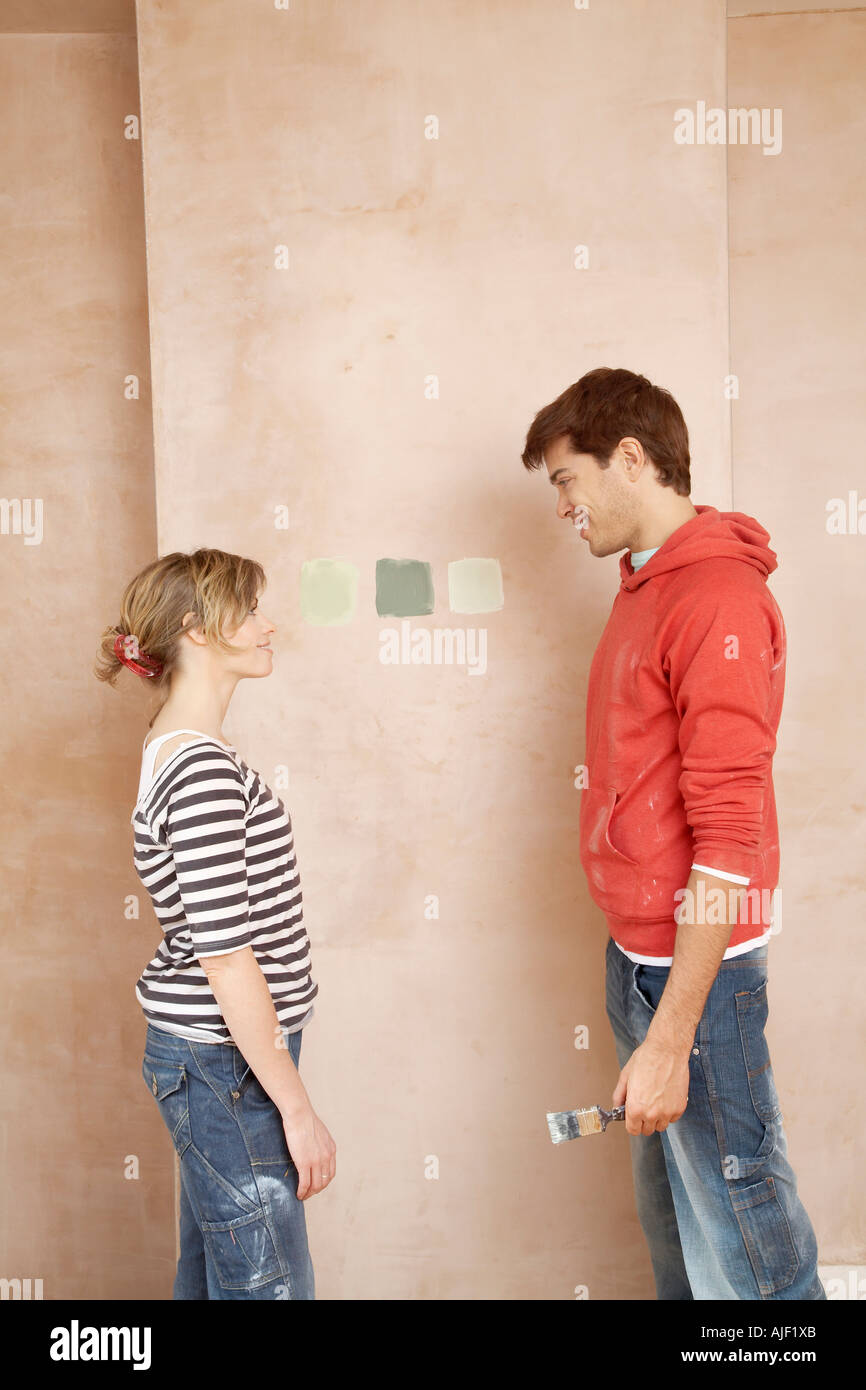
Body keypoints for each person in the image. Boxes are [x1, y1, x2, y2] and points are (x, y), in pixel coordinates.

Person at [522, 367, 826, 1300]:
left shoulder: (717, 598)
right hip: (640, 956)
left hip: (698, 974)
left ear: (630, 458)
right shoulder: (648, 585)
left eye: (569, 481)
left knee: (747, 1240)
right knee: (682, 1234)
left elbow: (729, 836)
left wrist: (670, 1036)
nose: (564, 507)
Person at [94, 548, 335, 1300]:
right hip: (225, 1064)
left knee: (215, 1275)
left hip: (222, 1060)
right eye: (252, 610)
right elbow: (226, 957)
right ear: (197, 632)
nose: (270, 626)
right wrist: (297, 1110)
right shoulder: (198, 768)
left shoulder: (178, 750)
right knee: (269, 1286)